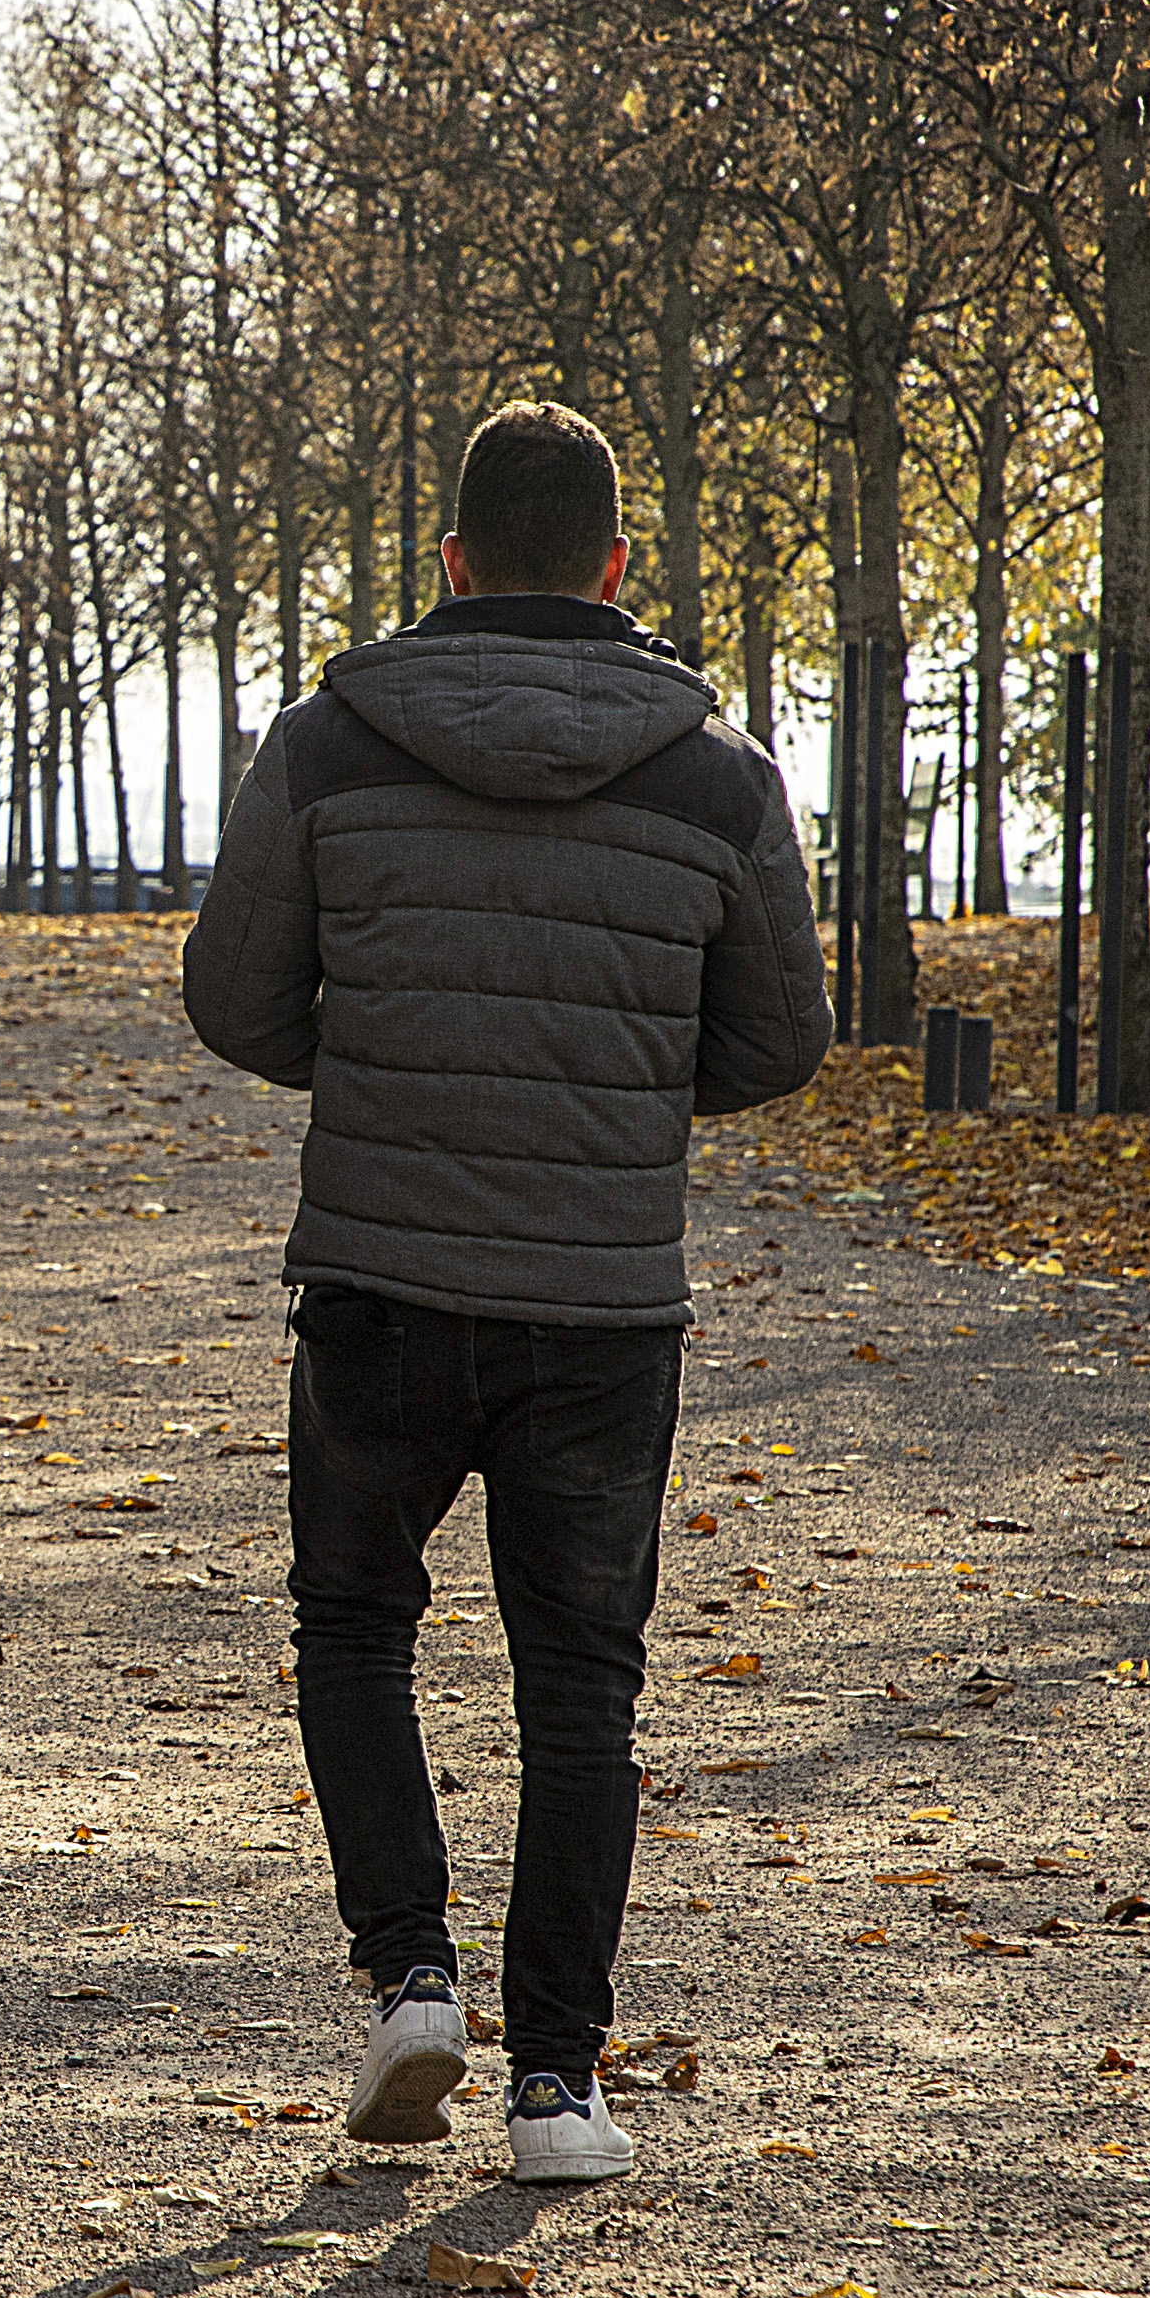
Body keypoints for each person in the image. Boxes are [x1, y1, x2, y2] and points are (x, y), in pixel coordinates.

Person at [182, 400, 828, 2184]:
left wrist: (393, 1056)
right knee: (580, 1688)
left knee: (355, 1627)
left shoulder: (326, 745)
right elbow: (783, 1039)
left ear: (449, 561)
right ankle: (559, 2087)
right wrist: (608, 1086)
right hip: (603, 1295)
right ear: (618, 568)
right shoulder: (719, 773)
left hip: (380, 1269)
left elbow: (234, 1000)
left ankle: (408, 1978)